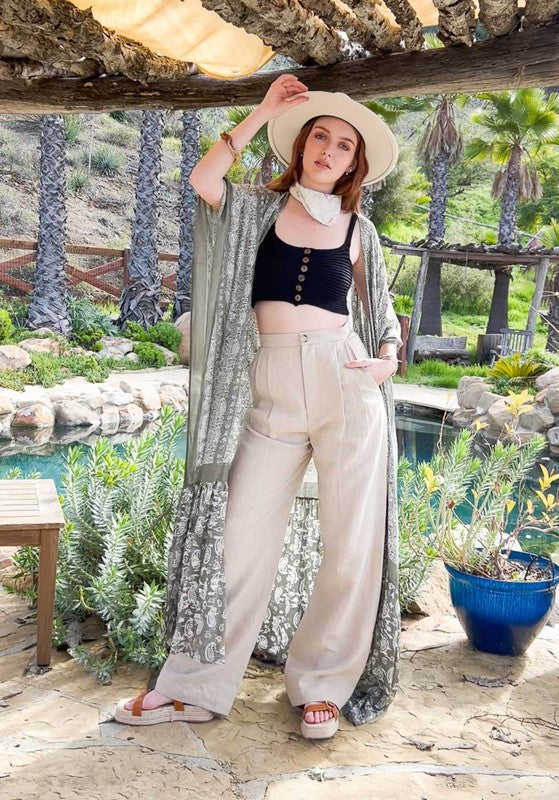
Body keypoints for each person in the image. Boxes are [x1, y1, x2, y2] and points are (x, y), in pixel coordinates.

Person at [115, 75, 402, 740]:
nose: (329, 150)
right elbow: (203, 177)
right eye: (320, 137)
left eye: (343, 145)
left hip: (345, 380)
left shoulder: (362, 230)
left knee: (350, 547)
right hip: (267, 383)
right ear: (301, 147)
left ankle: (322, 688)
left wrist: (387, 357)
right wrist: (262, 111)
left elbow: (382, 315)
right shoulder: (251, 210)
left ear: (355, 165)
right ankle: (191, 686)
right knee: (237, 540)